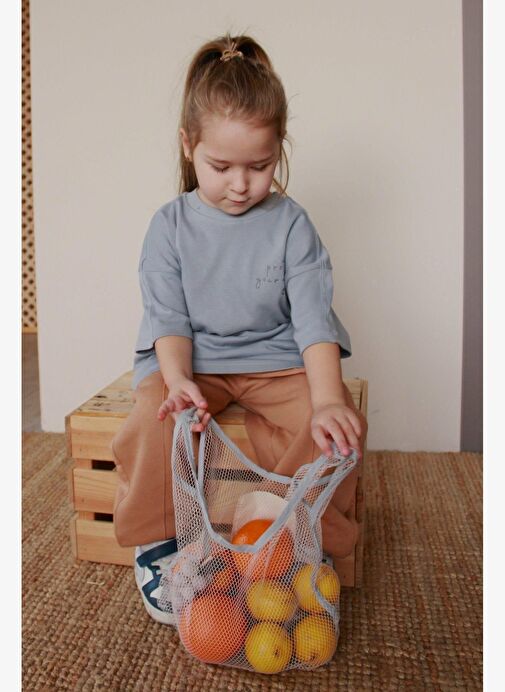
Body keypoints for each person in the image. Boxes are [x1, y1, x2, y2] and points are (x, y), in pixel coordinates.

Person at [111, 32, 368, 625]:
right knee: (156, 419)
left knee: (336, 428)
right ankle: (160, 539)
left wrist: (329, 399)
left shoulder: (291, 224)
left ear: (280, 149)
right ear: (188, 145)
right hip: (191, 362)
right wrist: (178, 381)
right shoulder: (169, 227)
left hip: (275, 362)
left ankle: (301, 535)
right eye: (220, 166)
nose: (240, 184)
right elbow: (168, 320)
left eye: (259, 166)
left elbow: (313, 320)